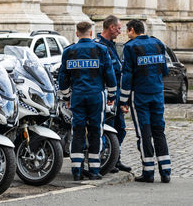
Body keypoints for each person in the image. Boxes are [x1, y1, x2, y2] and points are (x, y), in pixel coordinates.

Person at [58, 21, 117, 181]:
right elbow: (110, 75)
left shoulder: (68, 51)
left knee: (77, 131)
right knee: (95, 131)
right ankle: (94, 170)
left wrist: (67, 97)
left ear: (77, 33)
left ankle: (76, 171)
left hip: (77, 96)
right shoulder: (101, 50)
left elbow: (62, 78)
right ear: (91, 34)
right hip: (96, 96)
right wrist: (112, 96)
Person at [119, 19, 171, 183]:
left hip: (140, 96)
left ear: (132, 30)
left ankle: (148, 172)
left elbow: (127, 75)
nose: (127, 34)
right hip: (157, 93)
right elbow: (165, 70)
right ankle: (166, 171)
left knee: (144, 133)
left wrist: (123, 100)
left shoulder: (130, 46)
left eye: (127, 31)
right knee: (159, 131)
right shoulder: (158, 43)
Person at [95, 15, 131, 173]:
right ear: (111, 27)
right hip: (105, 93)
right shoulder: (99, 46)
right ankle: (106, 159)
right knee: (108, 128)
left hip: (115, 93)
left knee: (120, 128)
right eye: (118, 28)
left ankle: (115, 158)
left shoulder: (111, 46)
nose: (120, 31)